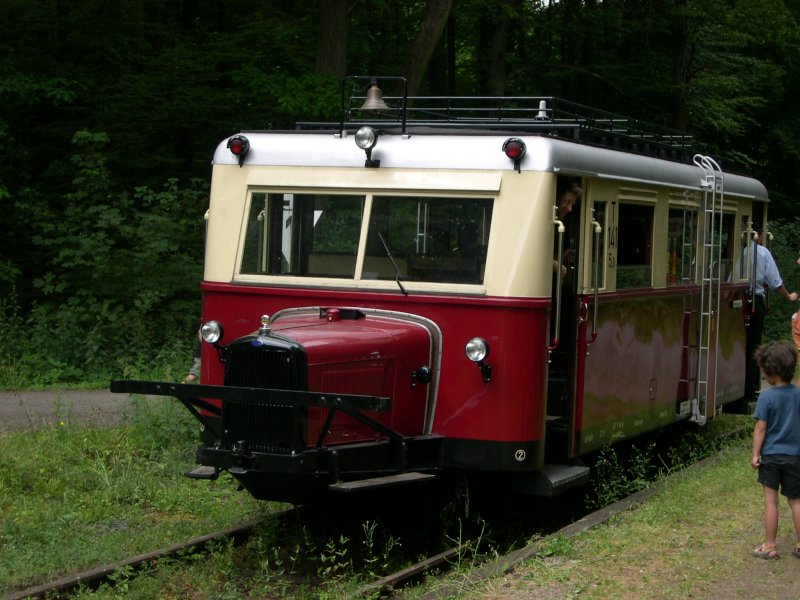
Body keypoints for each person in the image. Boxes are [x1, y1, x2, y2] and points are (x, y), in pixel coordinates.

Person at [750, 340, 800, 560]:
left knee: (771, 501)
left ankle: (770, 545)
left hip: (770, 456)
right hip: (795, 456)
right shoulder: (798, 394)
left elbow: (761, 428)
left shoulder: (767, 396)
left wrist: (755, 455)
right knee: (797, 501)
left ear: (769, 372)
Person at [743, 224, 798, 403]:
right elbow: (775, 281)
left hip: (739, 297)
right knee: (753, 344)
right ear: (758, 235)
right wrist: (789, 297)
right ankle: (750, 389)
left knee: (740, 343)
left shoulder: (741, 252)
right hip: (755, 300)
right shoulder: (763, 252)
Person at [552, 179, 582, 277]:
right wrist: (553, 265)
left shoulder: (561, 222)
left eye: (572, 204)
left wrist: (565, 255)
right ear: (556, 199)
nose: (570, 209)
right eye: (567, 201)